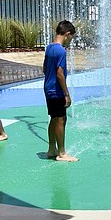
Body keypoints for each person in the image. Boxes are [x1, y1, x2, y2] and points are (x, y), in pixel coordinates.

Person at [44, 20, 77, 162]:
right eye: (71, 38)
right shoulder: (61, 51)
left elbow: (44, 69)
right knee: (61, 119)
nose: (70, 41)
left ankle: (52, 149)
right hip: (57, 91)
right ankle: (62, 153)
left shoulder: (49, 48)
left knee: (54, 118)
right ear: (67, 34)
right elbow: (60, 73)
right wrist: (67, 94)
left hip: (48, 88)